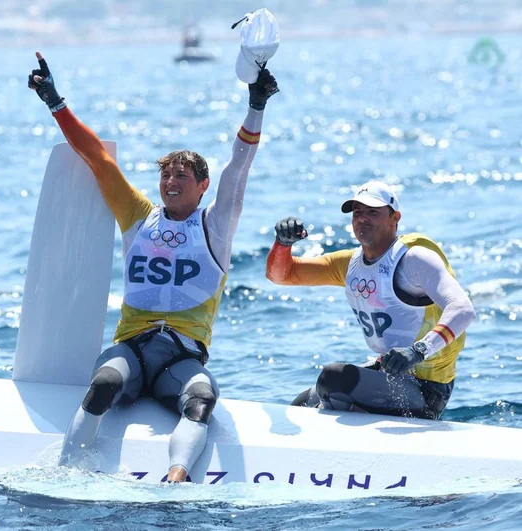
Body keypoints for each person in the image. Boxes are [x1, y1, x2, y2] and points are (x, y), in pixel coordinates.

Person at [28, 51, 278, 482]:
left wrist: (256, 105)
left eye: (182, 176)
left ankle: (176, 479)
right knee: (104, 384)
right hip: (132, 348)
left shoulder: (216, 225)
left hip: (181, 357)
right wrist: (55, 101)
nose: (171, 182)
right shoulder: (138, 215)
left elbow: (239, 167)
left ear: (202, 187)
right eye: (166, 175)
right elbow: (97, 159)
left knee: (201, 399)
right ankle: (65, 475)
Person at [265, 181, 475, 420]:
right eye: (357, 213)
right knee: (303, 402)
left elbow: (463, 309)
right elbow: (282, 275)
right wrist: (282, 244)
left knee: (334, 378)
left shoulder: (415, 259)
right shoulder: (350, 264)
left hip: (426, 390)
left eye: (372, 212)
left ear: (394, 217)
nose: (362, 219)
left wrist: (418, 351)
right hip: (388, 378)